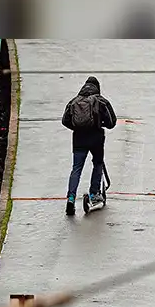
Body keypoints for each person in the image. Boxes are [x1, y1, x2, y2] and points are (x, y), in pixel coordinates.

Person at [61, 76, 117, 215]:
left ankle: (71, 198)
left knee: (76, 168)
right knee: (97, 164)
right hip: (96, 139)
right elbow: (112, 122)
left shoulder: (74, 101)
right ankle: (94, 194)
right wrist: (100, 124)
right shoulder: (101, 101)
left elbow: (65, 120)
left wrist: (77, 127)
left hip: (79, 139)